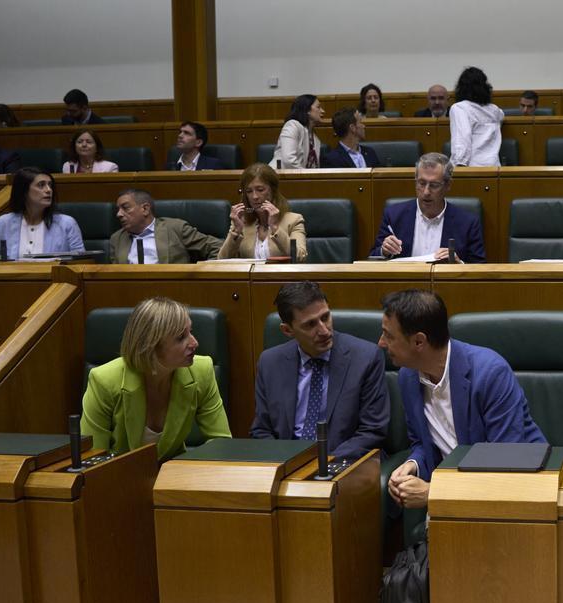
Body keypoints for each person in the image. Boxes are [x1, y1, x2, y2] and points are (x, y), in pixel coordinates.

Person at [381, 289, 546, 510]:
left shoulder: (490, 373)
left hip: (519, 492)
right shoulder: (408, 376)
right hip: (458, 498)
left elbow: (506, 462)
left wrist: (434, 492)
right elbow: (422, 443)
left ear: (419, 342)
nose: (381, 342)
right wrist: (413, 466)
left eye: (389, 335)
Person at [251, 281, 389, 460]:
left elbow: (372, 431)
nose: (324, 331)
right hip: (287, 463)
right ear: (287, 330)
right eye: (310, 325)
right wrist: (286, 462)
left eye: (325, 317)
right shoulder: (270, 362)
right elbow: (262, 430)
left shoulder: (366, 358)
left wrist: (322, 464)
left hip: (345, 463)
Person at [81, 296, 231, 461]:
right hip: (120, 478)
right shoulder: (103, 380)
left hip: (175, 477)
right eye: (181, 337)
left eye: (191, 331)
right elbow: (92, 457)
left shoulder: (202, 370)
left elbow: (220, 442)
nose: (195, 342)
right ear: (150, 347)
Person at [370, 152, 485, 263]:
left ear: (448, 185)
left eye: (434, 185)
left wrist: (459, 264)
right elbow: (372, 258)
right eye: (421, 183)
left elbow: (479, 268)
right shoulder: (394, 215)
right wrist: (384, 251)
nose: (426, 192)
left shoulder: (467, 222)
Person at [0, 167, 85, 259]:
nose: (48, 190)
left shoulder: (67, 223)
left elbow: (80, 261)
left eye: (50, 185)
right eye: (41, 185)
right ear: (23, 191)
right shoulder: (4, 222)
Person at [218, 163, 307, 262]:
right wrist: (236, 231)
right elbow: (221, 260)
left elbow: (300, 257)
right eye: (249, 191)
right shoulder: (242, 222)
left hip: (282, 276)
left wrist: (275, 227)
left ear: (273, 191)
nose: (255, 196)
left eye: (260, 190)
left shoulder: (294, 220)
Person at [110, 188, 222, 263]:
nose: (119, 214)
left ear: (145, 209)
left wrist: (202, 273)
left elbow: (217, 247)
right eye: (118, 209)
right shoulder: (117, 239)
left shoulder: (176, 228)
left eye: (125, 208)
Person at [448, 66, 504, 167]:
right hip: (494, 166)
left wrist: (459, 164)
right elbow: (501, 115)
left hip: (470, 167)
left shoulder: (459, 108)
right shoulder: (494, 110)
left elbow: (462, 138)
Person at [270, 94, 324, 169]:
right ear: (307, 109)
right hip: (278, 176)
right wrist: (306, 177)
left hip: (298, 178)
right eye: (318, 107)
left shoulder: (315, 138)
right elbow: (289, 160)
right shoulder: (292, 126)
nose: (322, 111)